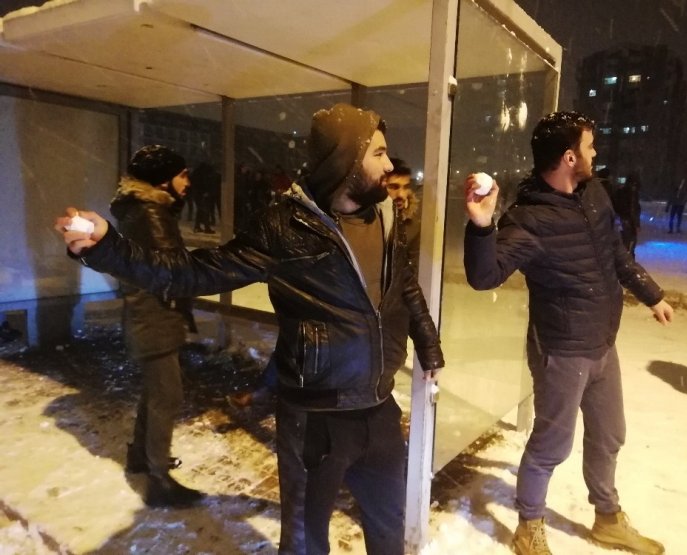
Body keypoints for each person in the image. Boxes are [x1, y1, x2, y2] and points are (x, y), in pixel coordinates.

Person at [56, 103, 444, 554]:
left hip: (379, 410)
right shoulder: (285, 225)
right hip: (314, 417)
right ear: (346, 160)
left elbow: (405, 286)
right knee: (304, 542)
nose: (389, 165)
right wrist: (108, 249)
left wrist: (428, 345)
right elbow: (193, 273)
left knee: (389, 531)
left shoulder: (386, 218)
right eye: (378, 153)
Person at [463, 111, 673, 555]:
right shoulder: (529, 220)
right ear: (569, 157)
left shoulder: (593, 194)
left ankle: (608, 519)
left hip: (602, 343)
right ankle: (529, 526)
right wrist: (482, 227)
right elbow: (484, 276)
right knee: (551, 445)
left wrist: (651, 295)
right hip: (561, 350)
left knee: (610, 434)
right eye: (590, 146)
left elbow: (616, 253)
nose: (596, 153)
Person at [111, 145, 204, 508]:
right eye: (182, 174)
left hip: (148, 313)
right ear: (163, 180)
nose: (188, 182)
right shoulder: (151, 213)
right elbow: (171, 271)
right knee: (167, 395)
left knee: (156, 391)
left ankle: (140, 456)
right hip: (154, 314)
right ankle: (158, 480)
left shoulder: (141, 209)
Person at [386, 158, 422, 270]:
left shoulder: (412, 225)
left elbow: (412, 271)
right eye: (393, 187)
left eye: (405, 187)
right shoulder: (366, 221)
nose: (401, 194)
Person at [612, 172, 642, 257]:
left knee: (625, 243)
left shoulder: (621, 192)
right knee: (629, 244)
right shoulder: (632, 193)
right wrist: (636, 224)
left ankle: (625, 259)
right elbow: (634, 209)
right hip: (628, 221)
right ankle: (628, 261)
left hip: (623, 220)